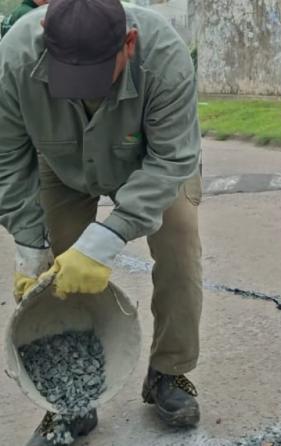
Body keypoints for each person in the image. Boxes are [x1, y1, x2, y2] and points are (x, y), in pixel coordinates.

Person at [0, 0, 203, 443]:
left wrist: (106, 241)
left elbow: (172, 159)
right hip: (64, 164)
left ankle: (168, 373)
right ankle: (72, 403)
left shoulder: (165, 57)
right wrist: (30, 246)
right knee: (60, 273)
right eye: (67, 80)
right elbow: (7, 161)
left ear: (127, 45)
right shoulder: (14, 58)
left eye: (92, 79)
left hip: (151, 161)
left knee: (181, 250)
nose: (80, 93)